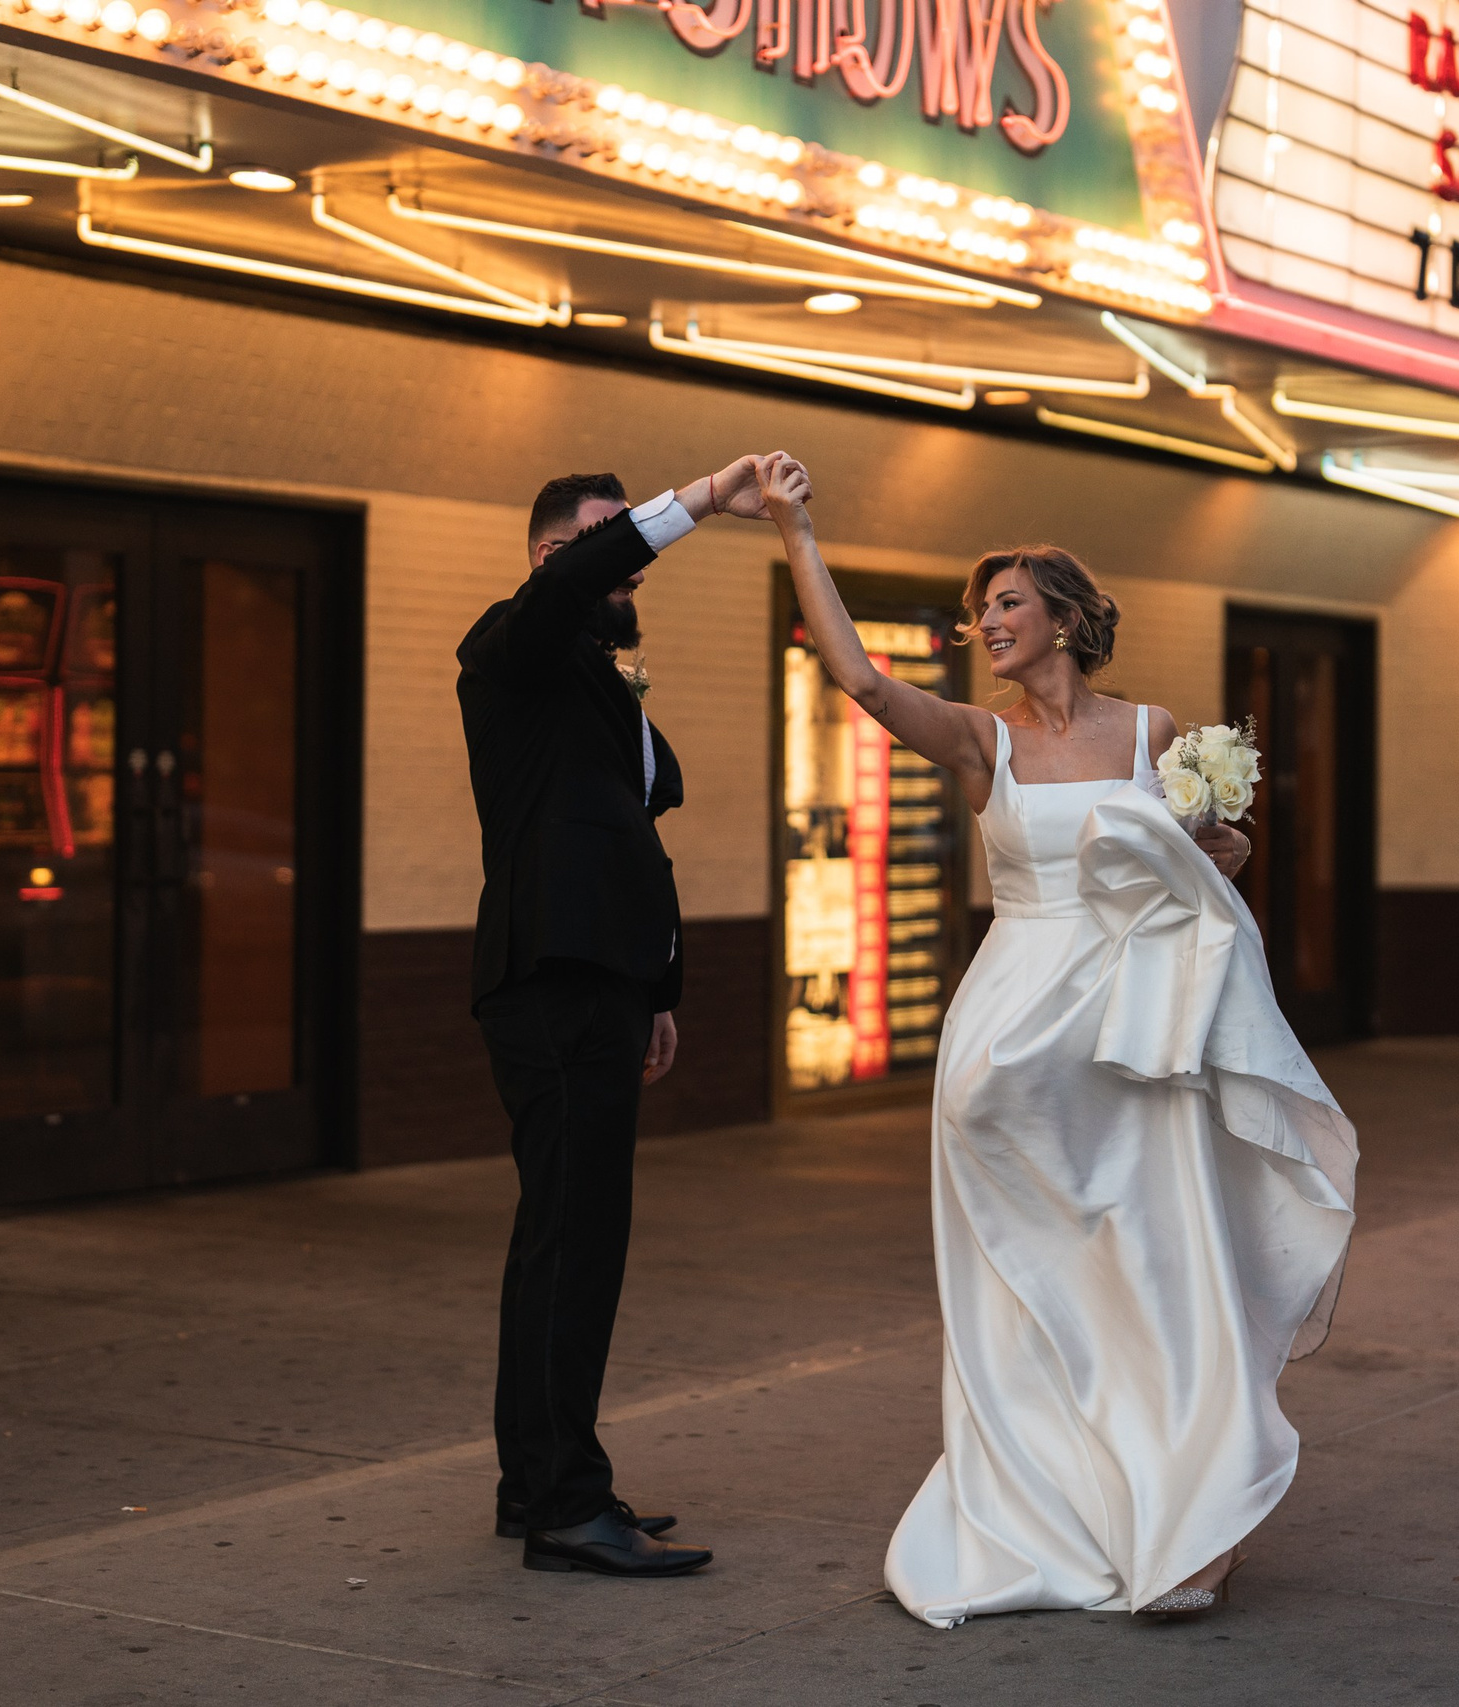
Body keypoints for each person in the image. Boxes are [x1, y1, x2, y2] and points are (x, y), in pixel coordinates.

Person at [755, 453, 1359, 1623]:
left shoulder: (1156, 733)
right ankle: (1048, 1515)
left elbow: (1210, 865)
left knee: (1162, 1270)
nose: (986, 624)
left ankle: (1187, 1518)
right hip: (1014, 1048)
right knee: (1041, 1294)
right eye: (981, 610)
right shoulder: (985, 743)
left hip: (1141, 1038)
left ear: (1068, 621)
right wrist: (795, 532)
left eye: (1009, 605)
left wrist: (1220, 853)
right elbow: (864, 683)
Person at [457, 456, 780, 1578]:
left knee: (564, 1238)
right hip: (551, 982)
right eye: (607, 539)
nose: (627, 560)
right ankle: (563, 1504)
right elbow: (568, 586)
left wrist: (657, 987)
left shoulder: (592, 680)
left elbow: (629, 842)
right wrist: (695, 501)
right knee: (573, 1243)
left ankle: (535, 1486)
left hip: (598, 982)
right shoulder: (511, 642)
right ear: (559, 557)